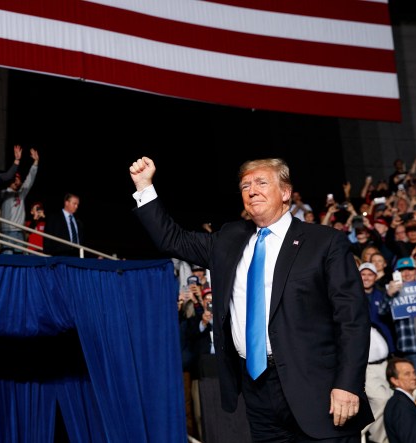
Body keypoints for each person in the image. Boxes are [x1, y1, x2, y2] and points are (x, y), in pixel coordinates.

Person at [129, 156, 373, 441]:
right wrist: (144, 186)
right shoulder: (228, 239)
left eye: (261, 182)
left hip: (318, 390)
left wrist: (348, 384)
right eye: (245, 186)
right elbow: (172, 239)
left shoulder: (325, 242)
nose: (251, 190)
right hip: (257, 390)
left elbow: (352, 320)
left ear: (285, 193)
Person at [385, 256, 416, 413]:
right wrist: (390, 295)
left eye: (410, 269)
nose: (407, 273)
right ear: (397, 274)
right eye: (402, 270)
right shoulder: (392, 291)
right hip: (411, 348)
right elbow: (382, 312)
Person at [359, 262, 394, 443]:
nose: (366, 278)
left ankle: (381, 435)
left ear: (375, 277)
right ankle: (375, 438)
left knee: (389, 399)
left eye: (370, 274)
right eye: (362, 274)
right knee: (380, 400)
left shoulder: (381, 294)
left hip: (386, 362)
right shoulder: (353, 295)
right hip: (367, 365)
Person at [0, 147, 39, 254]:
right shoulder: (4, 193)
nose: (17, 181)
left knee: (19, 259)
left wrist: (35, 162)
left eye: (18, 179)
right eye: (14, 179)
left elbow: (30, 179)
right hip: (6, 231)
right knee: (7, 258)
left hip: (19, 231)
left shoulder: (22, 193)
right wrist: (16, 161)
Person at [384, 358, 416, 442]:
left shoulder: (402, 402)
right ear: (395, 380)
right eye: (407, 374)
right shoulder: (401, 407)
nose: (414, 377)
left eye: (414, 372)